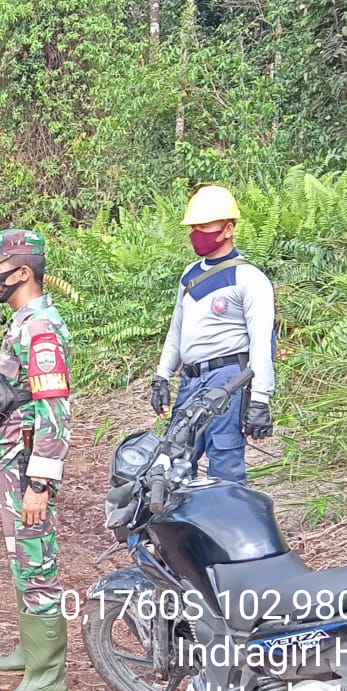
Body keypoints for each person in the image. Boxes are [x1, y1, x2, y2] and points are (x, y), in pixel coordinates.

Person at [0, 229, 72, 691]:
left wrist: (39, 483)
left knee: (37, 561)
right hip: (12, 460)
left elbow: (55, 412)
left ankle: (47, 676)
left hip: (28, 467)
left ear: (23, 272)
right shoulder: (23, 322)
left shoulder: (42, 330)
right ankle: (31, 651)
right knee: (21, 555)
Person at [150, 185, 275, 484]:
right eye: (193, 227)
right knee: (173, 461)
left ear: (228, 229)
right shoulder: (189, 275)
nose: (196, 234)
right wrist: (161, 377)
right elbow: (176, 331)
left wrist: (259, 400)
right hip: (191, 380)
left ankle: (229, 514)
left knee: (224, 465)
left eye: (204, 227)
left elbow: (261, 343)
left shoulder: (249, 278)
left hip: (228, 381)